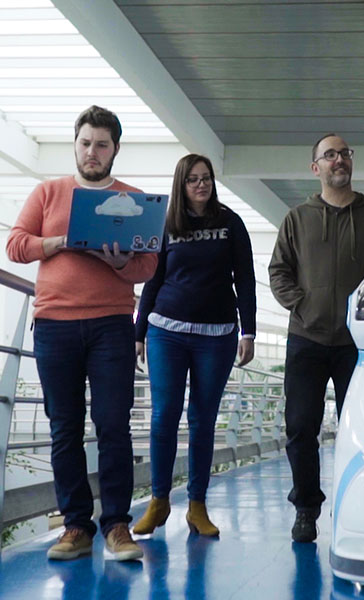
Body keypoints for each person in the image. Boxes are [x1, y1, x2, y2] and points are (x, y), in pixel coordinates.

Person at [7, 105, 157, 562]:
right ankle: (76, 525)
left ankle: (116, 525)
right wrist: (59, 242)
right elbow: (15, 244)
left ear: (115, 150)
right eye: (86, 143)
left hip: (112, 325)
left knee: (113, 426)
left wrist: (119, 264)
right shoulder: (49, 193)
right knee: (64, 428)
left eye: (102, 145)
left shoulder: (136, 199)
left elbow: (149, 264)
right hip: (54, 325)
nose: (93, 152)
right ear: (76, 145)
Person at [269, 134, 364, 542]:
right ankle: (307, 508)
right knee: (301, 426)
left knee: (363, 428)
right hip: (306, 339)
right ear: (316, 168)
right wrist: (302, 305)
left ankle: (361, 503)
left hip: (358, 345)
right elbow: (279, 271)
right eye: (329, 155)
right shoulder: (297, 218)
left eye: (344, 153)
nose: (338, 160)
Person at [132, 154, 257, 537]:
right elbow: (153, 279)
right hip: (166, 331)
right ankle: (158, 502)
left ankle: (197, 505)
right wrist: (138, 332)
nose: (201, 185)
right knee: (163, 416)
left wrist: (248, 331)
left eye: (206, 178)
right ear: (181, 184)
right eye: (193, 180)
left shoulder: (230, 223)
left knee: (203, 419)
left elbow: (246, 279)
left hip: (216, 336)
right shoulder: (166, 224)